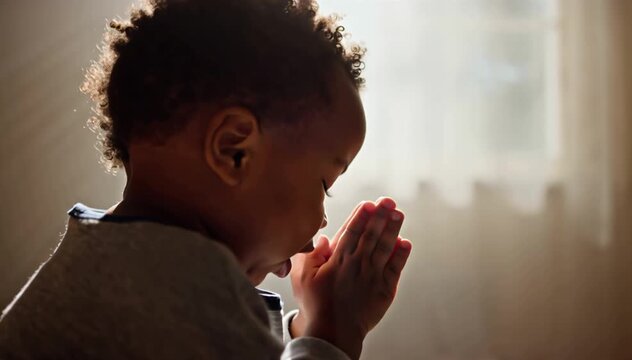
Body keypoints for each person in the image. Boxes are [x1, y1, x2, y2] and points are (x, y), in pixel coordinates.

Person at [0, 0, 412, 358]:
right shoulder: (172, 298)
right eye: (324, 184)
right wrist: (334, 334)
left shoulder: (113, 261)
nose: (324, 220)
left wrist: (303, 332)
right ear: (234, 151)